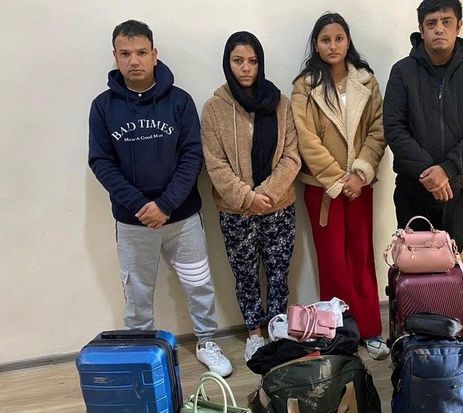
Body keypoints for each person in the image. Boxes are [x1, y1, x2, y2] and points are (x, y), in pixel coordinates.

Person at [88, 20, 232, 377]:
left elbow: (192, 156)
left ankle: (206, 341)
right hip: (133, 222)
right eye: (125, 54)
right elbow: (101, 161)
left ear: (154, 54)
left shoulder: (179, 101)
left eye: (141, 52)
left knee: (199, 284)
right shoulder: (103, 107)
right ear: (115, 57)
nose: (134, 60)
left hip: (182, 218)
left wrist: (166, 204)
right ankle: (142, 353)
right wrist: (141, 206)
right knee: (137, 294)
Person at [291, 13, 388, 360]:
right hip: (322, 188)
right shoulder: (304, 86)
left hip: (360, 184)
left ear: (348, 41)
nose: (333, 46)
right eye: (325, 40)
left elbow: (378, 130)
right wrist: (336, 178)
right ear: (316, 45)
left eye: (339, 38)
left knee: (361, 256)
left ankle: (370, 330)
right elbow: (306, 139)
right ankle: (339, 335)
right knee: (332, 259)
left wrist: (359, 174)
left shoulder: (367, 81)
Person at [201, 31, 301, 363]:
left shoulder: (280, 103)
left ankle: (277, 326)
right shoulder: (214, 109)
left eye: (253, 61)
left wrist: (265, 195)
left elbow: (291, 157)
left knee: (278, 272)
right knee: (245, 275)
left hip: (278, 206)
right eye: (238, 61)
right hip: (236, 211)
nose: (246, 68)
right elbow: (215, 164)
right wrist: (247, 198)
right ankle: (254, 333)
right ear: (227, 64)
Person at [384, 0, 463, 252]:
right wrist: (429, 174)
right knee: (412, 264)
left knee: (450, 265)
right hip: (412, 189)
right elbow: (394, 127)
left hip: (457, 189)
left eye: (446, 22)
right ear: (421, 29)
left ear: (459, 25)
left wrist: (447, 169)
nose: (439, 29)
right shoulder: (402, 71)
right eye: (431, 23)